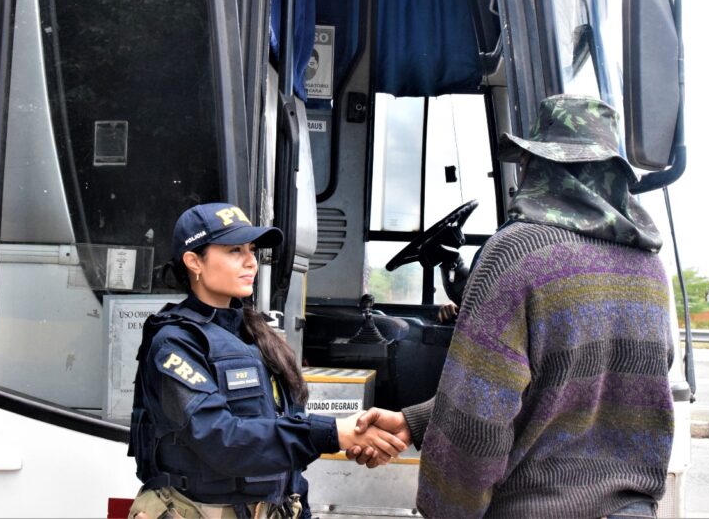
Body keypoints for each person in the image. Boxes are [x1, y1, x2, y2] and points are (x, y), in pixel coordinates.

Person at [348, 95, 676, 519]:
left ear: (537, 167)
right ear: (611, 175)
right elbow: (580, 387)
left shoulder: (517, 253)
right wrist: (418, 422)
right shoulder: (649, 267)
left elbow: (478, 417)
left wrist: (445, 510)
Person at [129, 202, 407, 519]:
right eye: (235, 251)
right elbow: (222, 440)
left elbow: (283, 451)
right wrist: (334, 433)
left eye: (251, 250)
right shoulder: (175, 343)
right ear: (194, 262)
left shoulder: (255, 334)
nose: (251, 262)